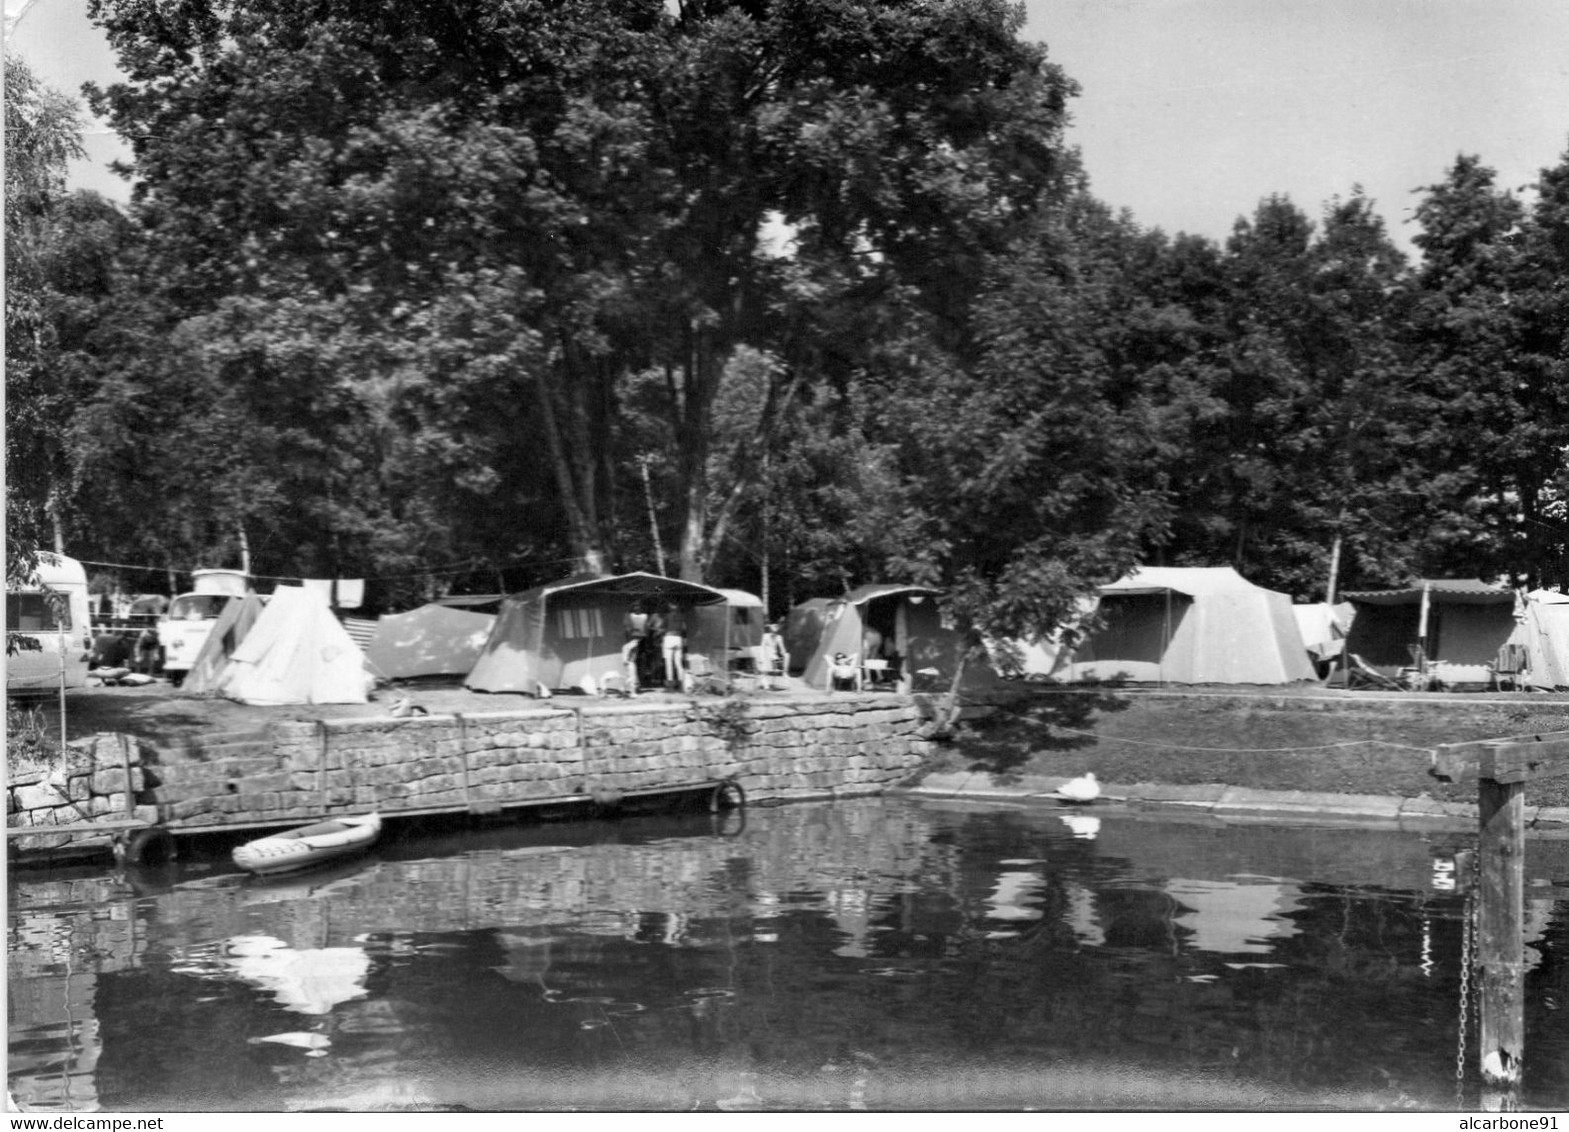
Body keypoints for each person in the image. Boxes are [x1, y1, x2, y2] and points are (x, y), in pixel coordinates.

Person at [661, 604, 687, 690]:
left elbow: (662, 628)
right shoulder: (681, 617)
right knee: (678, 662)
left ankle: (670, 685)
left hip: (669, 638)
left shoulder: (667, 616)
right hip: (678, 638)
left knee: (669, 662)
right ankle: (681, 684)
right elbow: (684, 628)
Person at [759, 622, 789, 690]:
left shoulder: (779, 638)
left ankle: (775, 682)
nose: (774, 633)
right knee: (764, 671)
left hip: (773, 656)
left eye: (775, 632)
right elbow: (762, 647)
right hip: (766, 655)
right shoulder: (765, 636)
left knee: (778, 669)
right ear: (770, 630)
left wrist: (784, 654)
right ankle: (766, 685)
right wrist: (761, 658)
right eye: (772, 631)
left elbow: (782, 648)